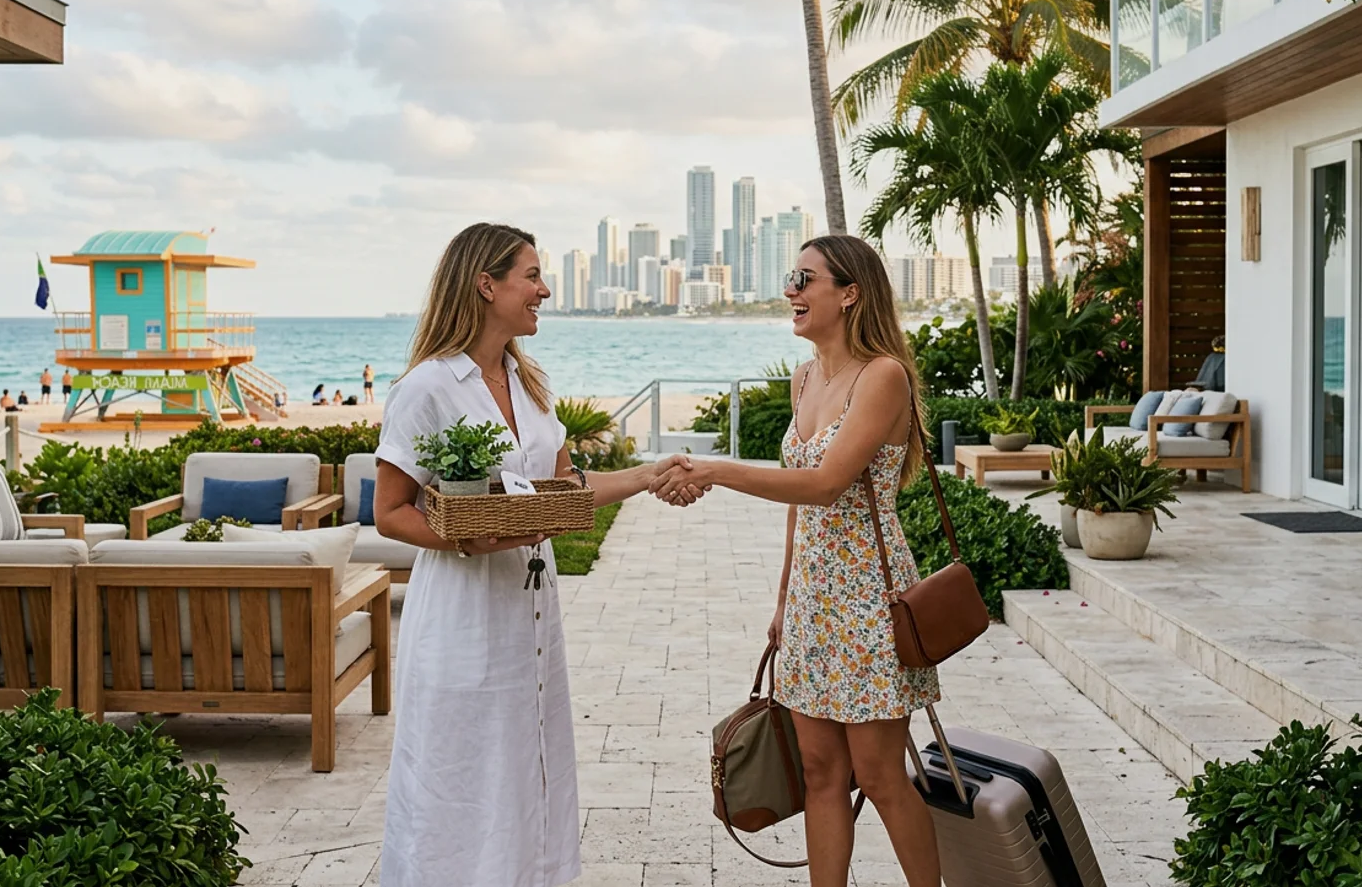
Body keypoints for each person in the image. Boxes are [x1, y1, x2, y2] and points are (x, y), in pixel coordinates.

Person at [373, 223, 702, 887]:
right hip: (462, 614)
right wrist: (470, 534)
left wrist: (645, 476)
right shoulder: (427, 387)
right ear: (486, 283)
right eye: (531, 275)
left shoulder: (528, 384)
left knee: (526, 764)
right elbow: (389, 511)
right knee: (459, 768)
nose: (544, 289)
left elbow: (565, 489)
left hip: (531, 612)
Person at [649, 234, 943, 887]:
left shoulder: (883, 376)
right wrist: (784, 599)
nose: (792, 290)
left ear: (850, 292)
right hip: (814, 598)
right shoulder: (805, 377)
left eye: (805, 278)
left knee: (880, 775)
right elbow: (799, 508)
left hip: (869, 596)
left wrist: (719, 470)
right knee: (819, 772)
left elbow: (824, 484)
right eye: (793, 277)